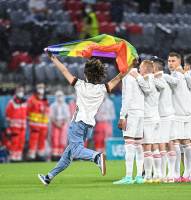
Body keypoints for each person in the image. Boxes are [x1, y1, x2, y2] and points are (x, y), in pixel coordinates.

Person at [38, 53, 127, 186]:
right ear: (100, 75)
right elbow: (119, 76)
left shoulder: (79, 85)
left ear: (86, 74)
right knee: (68, 154)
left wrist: (53, 58)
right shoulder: (103, 89)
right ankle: (49, 177)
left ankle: (96, 157)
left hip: (78, 123)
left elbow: (63, 70)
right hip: (89, 126)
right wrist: (131, 65)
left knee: (75, 150)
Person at [114, 64, 146, 185]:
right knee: (138, 146)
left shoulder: (127, 76)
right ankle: (138, 176)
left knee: (129, 145)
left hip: (131, 113)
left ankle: (128, 177)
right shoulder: (139, 76)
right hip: (141, 113)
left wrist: (122, 116)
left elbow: (126, 98)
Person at [129, 60, 161, 183]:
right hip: (155, 117)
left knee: (147, 147)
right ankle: (157, 174)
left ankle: (148, 176)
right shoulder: (155, 78)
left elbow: (147, 90)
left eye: (140, 68)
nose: (139, 70)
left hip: (148, 118)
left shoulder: (148, 79)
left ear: (145, 69)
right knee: (154, 147)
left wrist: (137, 77)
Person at [167, 52, 191, 182]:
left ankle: (178, 174)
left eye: (173, 61)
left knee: (177, 142)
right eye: (169, 61)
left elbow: (175, 82)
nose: (170, 63)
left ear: (179, 61)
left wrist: (160, 75)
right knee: (185, 143)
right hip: (185, 113)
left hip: (179, 114)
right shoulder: (183, 73)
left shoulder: (177, 74)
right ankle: (187, 173)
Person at [152, 57, 177, 182]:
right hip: (171, 114)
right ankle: (171, 174)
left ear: (155, 68)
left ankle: (162, 174)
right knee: (170, 143)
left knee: (162, 144)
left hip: (163, 116)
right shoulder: (168, 78)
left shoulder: (158, 79)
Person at [27, 82, 49, 161]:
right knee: (33, 140)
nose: (41, 89)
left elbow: (47, 112)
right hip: (34, 124)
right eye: (39, 87)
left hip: (43, 125)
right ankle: (32, 156)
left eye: (42, 87)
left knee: (42, 141)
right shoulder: (32, 99)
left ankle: (41, 155)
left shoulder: (45, 100)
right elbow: (28, 112)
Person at [5, 85, 27, 161]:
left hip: (23, 127)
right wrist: (8, 127)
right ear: (16, 92)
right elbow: (7, 116)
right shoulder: (12, 102)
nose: (21, 92)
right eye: (19, 91)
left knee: (21, 142)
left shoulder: (24, 102)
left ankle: (18, 157)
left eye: (22, 91)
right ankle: (13, 157)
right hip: (14, 127)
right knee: (15, 142)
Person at [50, 90, 70, 161]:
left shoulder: (65, 106)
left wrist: (62, 123)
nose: (59, 97)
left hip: (63, 124)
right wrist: (56, 123)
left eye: (61, 96)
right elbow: (51, 116)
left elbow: (67, 116)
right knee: (55, 140)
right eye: (58, 96)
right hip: (55, 124)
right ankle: (55, 155)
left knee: (62, 140)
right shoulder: (53, 106)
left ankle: (61, 155)